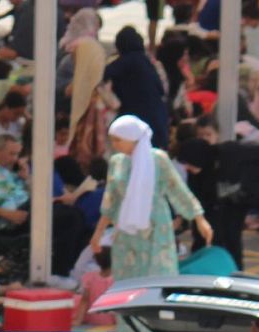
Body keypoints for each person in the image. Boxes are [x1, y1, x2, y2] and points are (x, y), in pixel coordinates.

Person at [175, 121, 259, 290]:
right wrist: (199, 249)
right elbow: (204, 214)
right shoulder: (197, 177)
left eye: (189, 163)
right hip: (237, 198)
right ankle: (237, 276)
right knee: (229, 234)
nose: (187, 168)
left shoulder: (228, 151)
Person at [88, 116, 212, 281]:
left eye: (119, 140)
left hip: (155, 228)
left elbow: (177, 190)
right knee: (127, 279)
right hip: (126, 231)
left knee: (157, 276)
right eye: (113, 140)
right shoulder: (116, 162)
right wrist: (98, 233)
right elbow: (111, 201)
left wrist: (199, 218)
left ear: (133, 139)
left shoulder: (157, 159)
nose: (115, 145)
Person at [103, 28, 169, 150]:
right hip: (157, 116)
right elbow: (160, 88)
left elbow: (102, 75)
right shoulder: (146, 61)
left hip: (139, 115)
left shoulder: (127, 61)